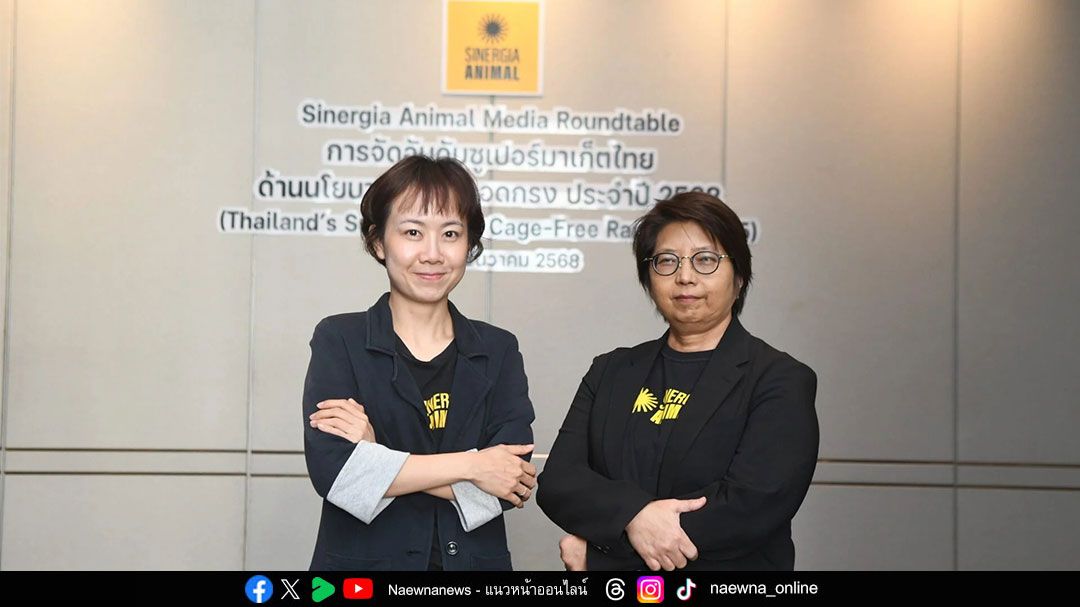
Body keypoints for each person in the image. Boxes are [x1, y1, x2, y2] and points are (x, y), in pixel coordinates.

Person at [536, 192, 819, 571]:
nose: (685, 276)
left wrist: (601, 560)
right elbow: (560, 481)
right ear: (648, 277)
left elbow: (749, 508)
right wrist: (636, 515)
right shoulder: (610, 371)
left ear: (739, 277)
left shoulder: (779, 379)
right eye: (667, 261)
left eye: (706, 260)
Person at [303, 155, 536, 571]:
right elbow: (336, 475)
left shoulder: (498, 350)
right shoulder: (340, 340)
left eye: (450, 234)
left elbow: (508, 483)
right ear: (378, 242)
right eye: (413, 232)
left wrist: (377, 456)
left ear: (470, 245)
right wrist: (474, 465)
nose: (432, 254)